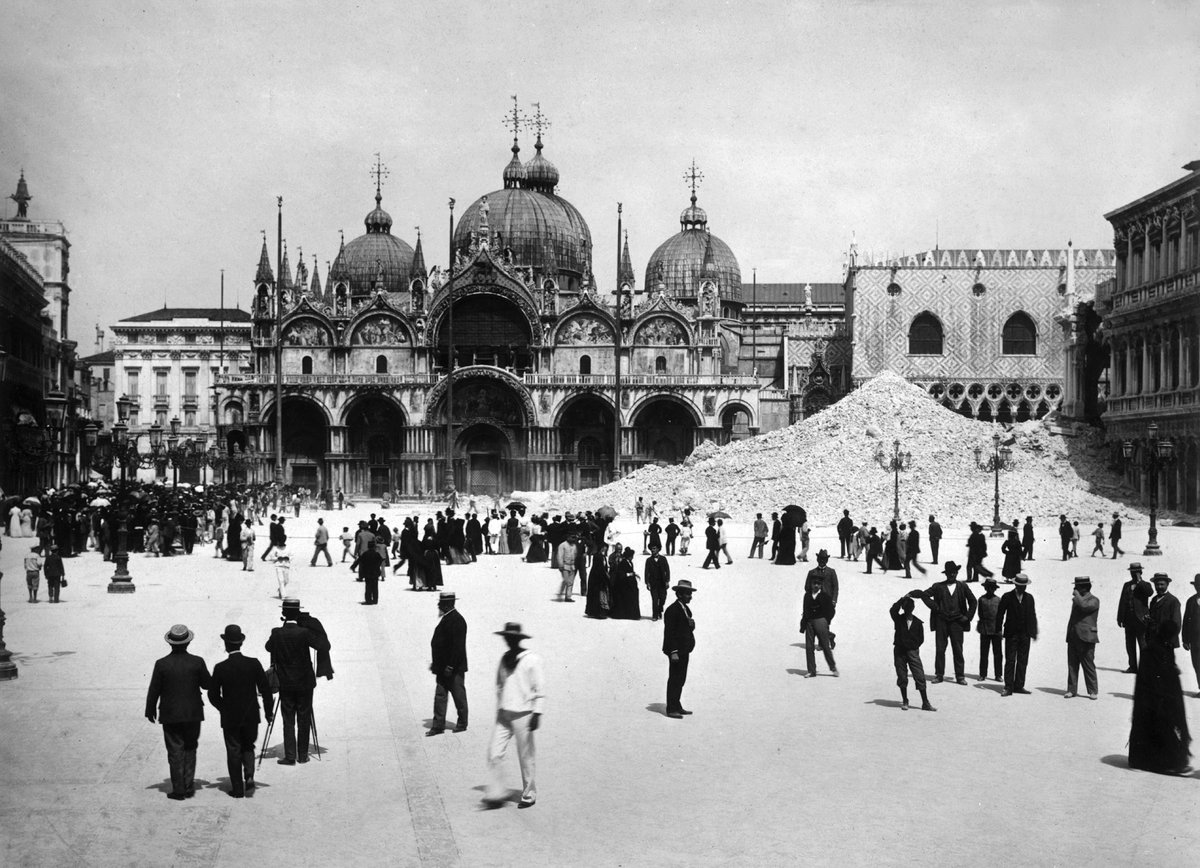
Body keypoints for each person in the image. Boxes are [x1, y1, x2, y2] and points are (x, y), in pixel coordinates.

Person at [1129, 573, 1191, 774]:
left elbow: (1176, 624)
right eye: (1158, 584)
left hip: (1165, 644)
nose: (1160, 587)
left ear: (1167, 584)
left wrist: (1168, 639)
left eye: (1162, 584)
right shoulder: (1155, 600)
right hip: (1153, 644)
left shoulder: (1173, 601)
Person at [145, 624, 212, 800]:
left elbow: (154, 689)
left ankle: (179, 789)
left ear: (171, 643)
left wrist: (149, 709)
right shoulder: (197, 662)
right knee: (190, 748)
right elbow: (207, 684)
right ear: (188, 643)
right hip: (193, 713)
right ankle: (189, 786)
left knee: (175, 751)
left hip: (170, 714)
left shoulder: (161, 664)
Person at [207, 624, 274, 798]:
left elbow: (212, 695)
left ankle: (237, 789)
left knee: (233, 749)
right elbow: (265, 689)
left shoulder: (220, 667)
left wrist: (224, 708)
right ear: (241, 643)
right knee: (248, 746)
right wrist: (268, 712)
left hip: (230, 718)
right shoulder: (253, 663)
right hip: (252, 714)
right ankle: (249, 776)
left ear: (226, 645)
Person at [484, 622, 544, 809]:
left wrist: (537, 712)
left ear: (519, 639)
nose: (508, 641)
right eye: (506, 638)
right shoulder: (504, 658)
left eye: (512, 638)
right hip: (504, 714)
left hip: (523, 714)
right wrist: (500, 708)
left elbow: (539, 687)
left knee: (526, 756)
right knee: (494, 753)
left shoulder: (531, 659)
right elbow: (499, 685)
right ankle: (497, 792)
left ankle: (529, 794)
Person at [266, 598, 331, 765]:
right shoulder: (304, 632)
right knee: (304, 717)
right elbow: (324, 646)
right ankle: (303, 755)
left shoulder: (276, 633)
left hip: (286, 683)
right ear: (298, 613)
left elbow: (269, 647)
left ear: (283, 614)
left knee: (288, 720)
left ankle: (289, 756)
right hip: (305, 683)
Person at [917, 561, 977, 685]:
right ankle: (939, 675)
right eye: (950, 573)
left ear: (957, 573)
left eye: (954, 572)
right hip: (941, 622)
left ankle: (960, 676)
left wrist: (967, 617)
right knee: (940, 649)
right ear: (946, 574)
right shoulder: (938, 586)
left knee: (958, 649)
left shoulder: (962, 586)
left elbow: (973, 601)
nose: (952, 575)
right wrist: (936, 607)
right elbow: (925, 595)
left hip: (957, 622)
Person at [427, 592, 468, 736]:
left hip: (453, 669)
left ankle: (462, 723)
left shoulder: (458, 621)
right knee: (440, 696)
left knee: (458, 695)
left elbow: (458, 647)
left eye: (441, 603)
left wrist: (450, 666)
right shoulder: (447, 618)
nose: (438, 605)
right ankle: (438, 726)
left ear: (447, 604)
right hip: (442, 668)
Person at [891, 595, 936, 711]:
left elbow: (921, 639)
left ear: (913, 608)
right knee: (902, 676)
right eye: (905, 607)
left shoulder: (918, 623)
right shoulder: (898, 619)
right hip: (900, 651)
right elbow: (892, 610)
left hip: (912, 652)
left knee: (919, 675)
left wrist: (912, 646)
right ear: (903, 608)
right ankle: (905, 700)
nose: (908, 609)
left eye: (910, 607)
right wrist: (901, 599)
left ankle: (925, 702)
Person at [996, 573, 1038, 696]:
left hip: (1025, 634)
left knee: (1023, 660)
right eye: (1020, 585)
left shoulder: (1029, 598)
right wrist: (998, 630)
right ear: (1015, 585)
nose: (1022, 588)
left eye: (1024, 586)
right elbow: (1000, 614)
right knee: (1010, 660)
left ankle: (1019, 686)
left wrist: (1033, 631)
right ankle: (1008, 686)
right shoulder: (1007, 597)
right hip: (1011, 634)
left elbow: (1032, 615)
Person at [663, 580, 697, 718]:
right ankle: (671, 708)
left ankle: (677, 705)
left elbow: (683, 628)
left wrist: (692, 625)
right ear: (680, 594)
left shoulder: (685, 608)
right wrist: (673, 652)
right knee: (675, 679)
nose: (691, 597)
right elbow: (670, 633)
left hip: (684, 649)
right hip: (676, 651)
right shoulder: (672, 610)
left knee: (681, 679)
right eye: (688, 594)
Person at [1065, 576, 1100, 700]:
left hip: (1087, 637)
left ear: (1085, 587)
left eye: (1077, 587)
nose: (1075, 589)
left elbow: (1085, 606)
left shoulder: (1094, 600)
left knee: (1088, 664)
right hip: (1074, 636)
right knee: (1072, 665)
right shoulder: (1078, 599)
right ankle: (1071, 689)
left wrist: (1076, 595)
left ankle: (1093, 690)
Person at [800, 574, 837, 678]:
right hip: (809, 622)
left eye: (818, 584)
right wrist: (803, 624)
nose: (816, 586)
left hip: (820, 621)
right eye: (814, 584)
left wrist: (826, 621)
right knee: (809, 646)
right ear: (811, 585)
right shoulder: (807, 595)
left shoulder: (825, 596)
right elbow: (805, 609)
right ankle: (811, 671)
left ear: (821, 585)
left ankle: (833, 667)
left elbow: (831, 611)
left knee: (825, 646)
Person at [1117, 562, 1151, 673]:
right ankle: (1132, 666)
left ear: (1141, 572)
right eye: (1132, 572)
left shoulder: (1145, 584)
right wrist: (1120, 617)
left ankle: (1144, 667)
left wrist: (1139, 581)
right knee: (1129, 644)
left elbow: (1149, 592)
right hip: (1129, 619)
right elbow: (1122, 601)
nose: (1134, 574)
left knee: (1142, 643)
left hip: (1141, 619)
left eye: (1136, 572)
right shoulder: (1126, 585)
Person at [976, 578, 1003, 681]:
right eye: (988, 588)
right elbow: (980, 614)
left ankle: (998, 675)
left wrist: (1000, 630)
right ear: (985, 588)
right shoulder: (981, 599)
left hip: (996, 630)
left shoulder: (998, 600)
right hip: (985, 629)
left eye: (992, 588)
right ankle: (983, 674)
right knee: (984, 653)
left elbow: (1000, 616)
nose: (990, 590)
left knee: (998, 654)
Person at [609, 547, 641, 620]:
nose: (632, 557)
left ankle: (632, 614)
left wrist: (634, 574)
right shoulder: (623, 563)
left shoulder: (630, 562)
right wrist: (630, 574)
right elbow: (621, 574)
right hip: (625, 585)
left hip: (630, 583)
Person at [1181, 574, 1200, 698]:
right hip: (1195, 641)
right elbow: (1186, 621)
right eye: (1197, 586)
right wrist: (1185, 640)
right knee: (1197, 664)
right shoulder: (1191, 601)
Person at [645, 544, 670, 621]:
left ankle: (660, 609)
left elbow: (667, 570)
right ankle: (655, 615)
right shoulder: (648, 560)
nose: (652, 550)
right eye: (652, 549)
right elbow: (646, 572)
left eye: (654, 548)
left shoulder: (663, 559)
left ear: (658, 549)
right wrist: (647, 583)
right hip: (653, 583)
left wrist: (667, 581)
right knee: (655, 600)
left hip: (662, 583)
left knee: (662, 598)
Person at [358, 540, 384, 605]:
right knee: (375, 587)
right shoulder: (377, 554)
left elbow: (361, 562)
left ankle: (368, 600)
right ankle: (375, 600)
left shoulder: (365, 554)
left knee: (368, 587)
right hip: (375, 572)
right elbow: (380, 561)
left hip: (367, 572)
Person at [556, 534, 579, 602]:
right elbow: (559, 555)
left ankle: (568, 597)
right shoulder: (562, 545)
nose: (573, 539)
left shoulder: (574, 546)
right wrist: (560, 565)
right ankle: (560, 594)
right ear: (568, 537)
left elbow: (575, 554)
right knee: (566, 581)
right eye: (572, 537)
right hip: (565, 565)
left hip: (572, 566)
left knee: (571, 582)